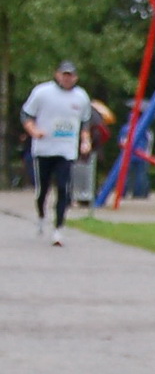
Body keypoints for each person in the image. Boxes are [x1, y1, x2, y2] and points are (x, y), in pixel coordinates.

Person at [22, 61, 92, 244]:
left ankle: (58, 228)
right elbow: (26, 114)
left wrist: (85, 140)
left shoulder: (81, 96)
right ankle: (41, 215)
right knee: (43, 188)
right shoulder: (42, 92)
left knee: (63, 187)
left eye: (71, 75)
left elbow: (85, 121)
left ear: (76, 78)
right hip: (44, 148)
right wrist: (33, 131)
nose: (67, 79)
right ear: (57, 75)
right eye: (64, 74)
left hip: (66, 148)